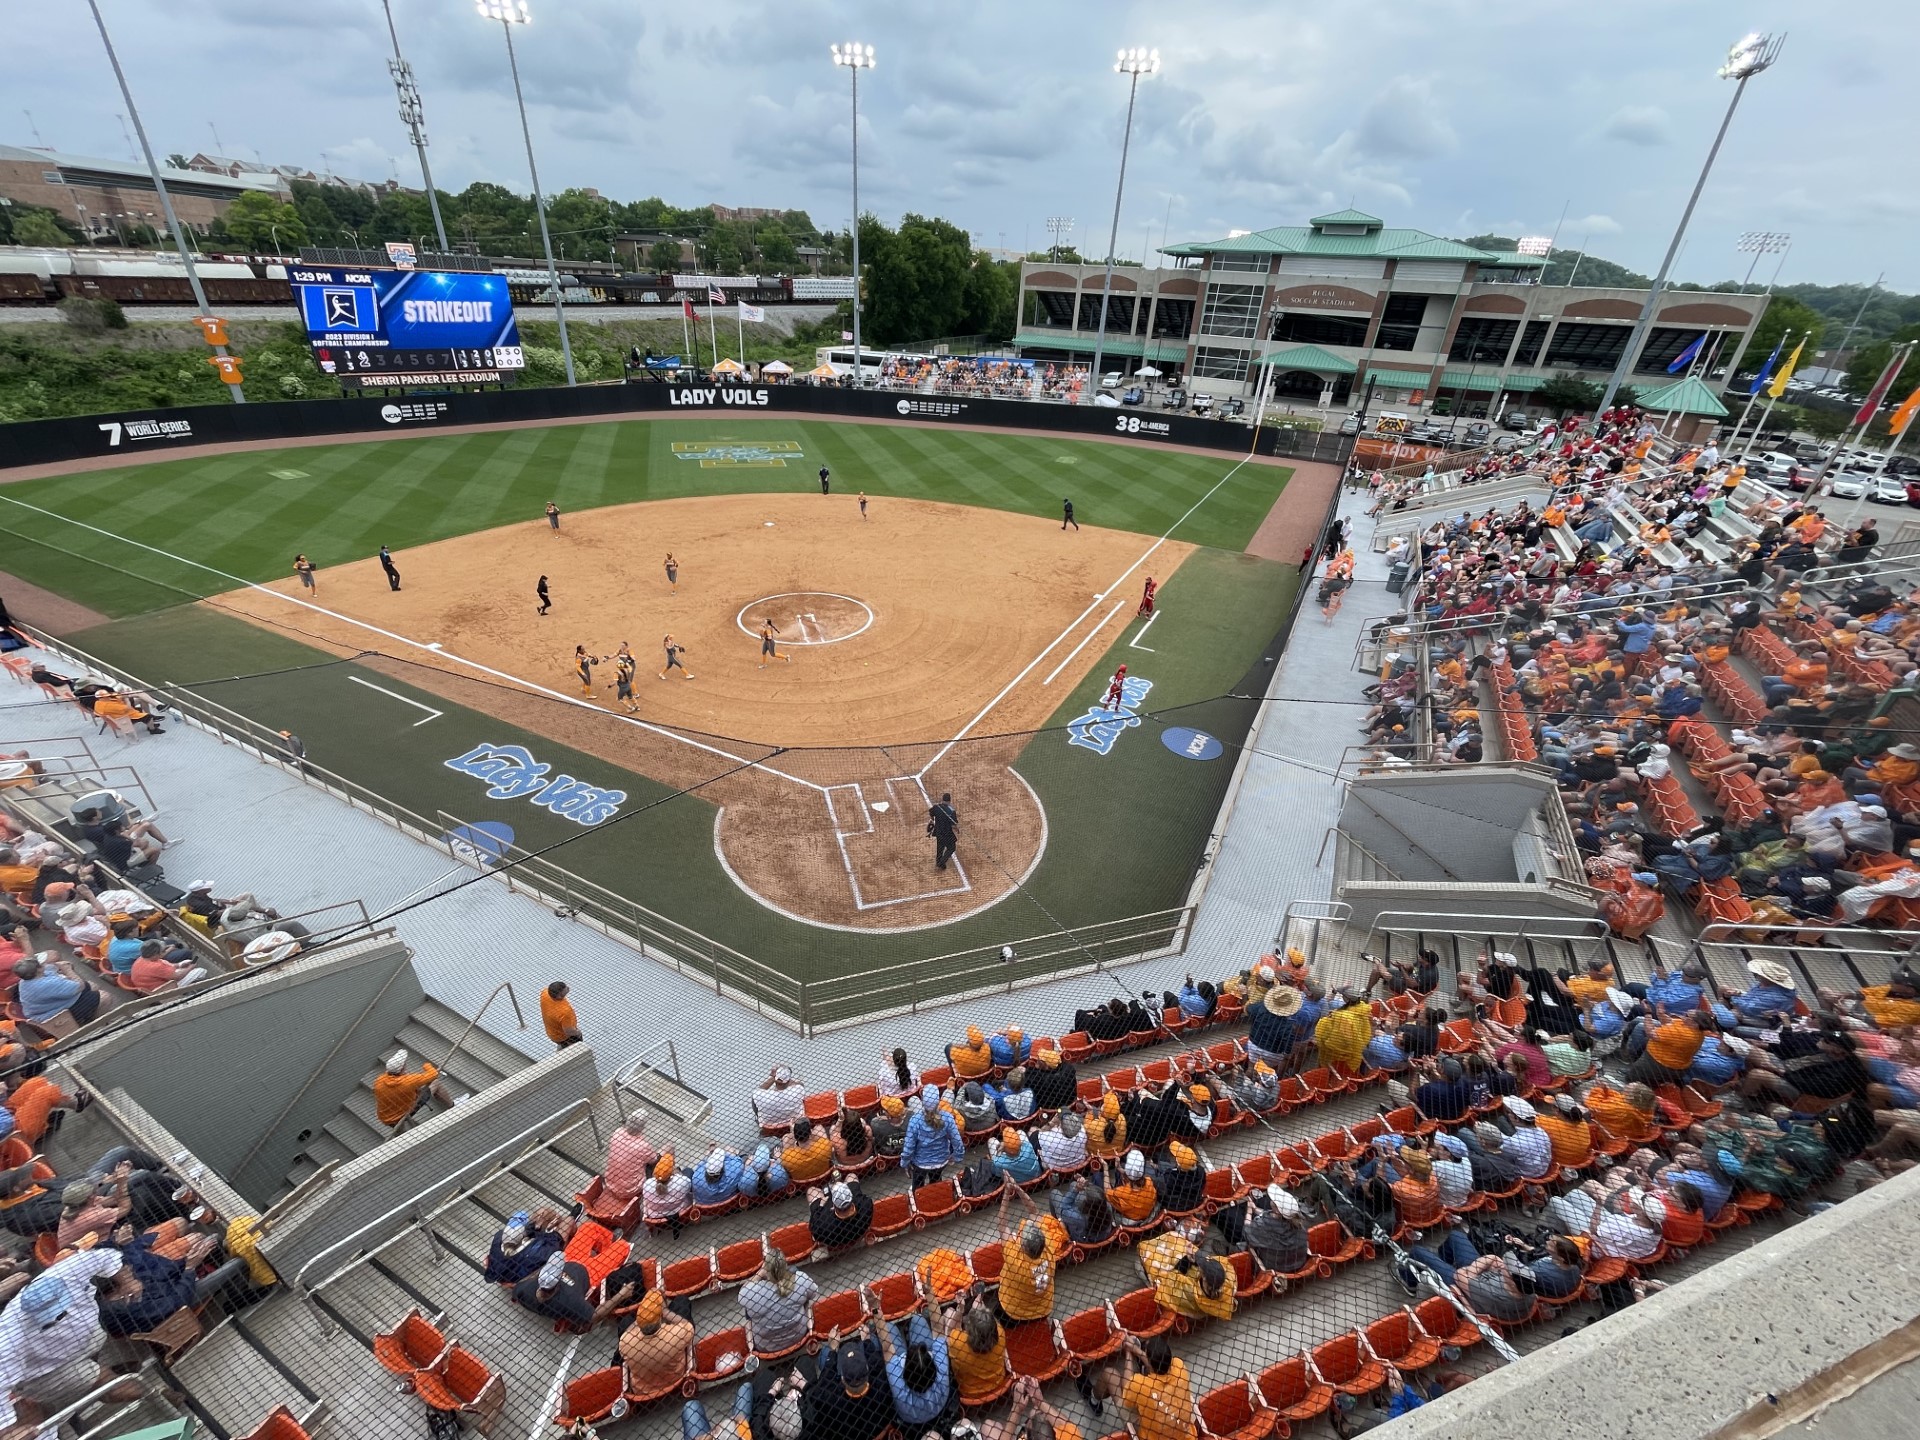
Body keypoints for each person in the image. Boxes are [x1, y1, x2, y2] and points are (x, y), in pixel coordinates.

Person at [0, 1249, 140, 1436]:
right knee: (120, 1390)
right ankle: (152, 1392)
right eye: (51, 1318)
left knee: (99, 1337)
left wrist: (128, 1282)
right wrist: (9, 1432)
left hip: (82, 1338)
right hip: (45, 1372)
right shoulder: (9, 1338)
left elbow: (105, 1257)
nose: (60, 1317)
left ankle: (89, 1375)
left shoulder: (64, 1273)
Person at [1099, 1334, 1193, 1440]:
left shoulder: (1141, 1386)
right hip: (1183, 1433)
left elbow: (1127, 1387)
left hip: (1151, 1435)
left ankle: (1093, 1399)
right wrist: (1137, 1350)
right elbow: (1159, 1363)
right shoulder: (1179, 1365)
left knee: (1111, 1375)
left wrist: (1128, 1353)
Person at [875, 1301, 952, 1430]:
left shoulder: (900, 1391)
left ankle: (900, 1333)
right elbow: (938, 1329)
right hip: (937, 1409)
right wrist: (929, 1291)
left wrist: (876, 1309)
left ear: (904, 1371)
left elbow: (887, 1348)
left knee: (889, 1327)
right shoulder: (942, 1375)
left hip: (908, 1421)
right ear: (934, 1368)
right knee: (918, 1319)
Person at [516, 1250, 632, 1332]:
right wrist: (621, 1295)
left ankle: (603, 1242)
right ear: (557, 1284)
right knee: (622, 1247)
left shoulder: (526, 1289)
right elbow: (594, 1317)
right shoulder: (570, 1299)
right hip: (591, 1273)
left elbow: (518, 1287)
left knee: (589, 1227)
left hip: (572, 1258)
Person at [807, 1333, 895, 1440]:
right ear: (867, 1368)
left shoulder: (829, 1400)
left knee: (825, 1352)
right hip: (875, 1426)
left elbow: (823, 1384)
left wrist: (833, 1350)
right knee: (874, 1341)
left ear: (842, 1379)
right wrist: (867, 1340)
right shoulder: (883, 1383)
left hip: (850, 1428)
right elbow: (877, 1364)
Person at [995, 1186, 1060, 1324]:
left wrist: (1007, 1192)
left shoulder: (1016, 1261)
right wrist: (1019, 1189)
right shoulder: (1048, 1248)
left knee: (997, 1312)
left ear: (1023, 1247)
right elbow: (1035, 1213)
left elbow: (1001, 1222)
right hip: (1044, 1309)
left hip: (1015, 1312)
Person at [739, 1250, 818, 1355]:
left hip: (766, 1347)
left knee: (749, 1306)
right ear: (785, 1266)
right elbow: (814, 1292)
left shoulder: (752, 1292)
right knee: (796, 1273)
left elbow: (742, 1293)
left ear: (766, 1270)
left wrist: (759, 1274)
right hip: (798, 1336)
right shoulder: (799, 1279)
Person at [619, 1290, 694, 1394]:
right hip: (677, 1381)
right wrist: (665, 1311)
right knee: (681, 1301)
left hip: (643, 1392)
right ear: (660, 1318)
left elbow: (626, 1333)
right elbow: (688, 1325)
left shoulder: (625, 1343)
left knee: (625, 1322)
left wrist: (643, 1316)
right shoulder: (676, 1334)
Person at [945, 1289, 1008, 1407]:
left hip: (970, 1393)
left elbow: (949, 1332)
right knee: (977, 1306)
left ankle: (968, 1306)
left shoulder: (959, 1344)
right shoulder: (1000, 1333)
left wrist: (960, 1309)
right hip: (998, 1384)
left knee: (949, 1312)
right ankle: (977, 1302)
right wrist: (979, 1305)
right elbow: (991, 1321)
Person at [12, 954, 102, 1029]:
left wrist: (58, 965)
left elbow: (50, 969)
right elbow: (80, 986)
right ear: (39, 969)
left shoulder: (25, 980)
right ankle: (95, 1026)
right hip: (52, 1016)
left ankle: (89, 1015)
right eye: (41, 964)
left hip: (47, 1007)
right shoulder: (47, 984)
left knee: (91, 986)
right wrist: (68, 970)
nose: (43, 964)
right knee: (103, 997)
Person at [900, 1085, 965, 1187]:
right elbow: (956, 1140)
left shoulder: (915, 1120)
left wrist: (905, 1163)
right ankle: (935, 1193)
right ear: (938, 1100)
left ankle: (918, 1197)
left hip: (920, 1163)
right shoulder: (947, 1117)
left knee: (917, 1184)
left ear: (922, 1100)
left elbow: (909, 1147)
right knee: (936, 1180)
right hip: (941, 1160)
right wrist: (957, 1156)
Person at [372, 1050, 452, 1128]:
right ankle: (451, 1105)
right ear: (403, 1068)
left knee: (399, 1131)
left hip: (387, 1118)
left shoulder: (379, 1080)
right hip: (407, 1110)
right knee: (435, 1082)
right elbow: (433, 1074)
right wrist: (426, 1065)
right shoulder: (409, 1081)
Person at [484, 1209, 565, 1284]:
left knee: (541, 1212)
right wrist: (547, 1232)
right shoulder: (530, 1252)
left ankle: (549, 1221)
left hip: (501, 1269)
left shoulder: (499, 1237)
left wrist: (536, 1226)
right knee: (566, 1224)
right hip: (518, 1276)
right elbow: (553, 1246)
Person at [603, 1111, 657, 1202]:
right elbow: (653, 1160)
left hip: (609, 1183)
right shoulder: (642, 1145)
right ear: (643, 1127)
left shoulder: (617, 1133)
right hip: (631, 1190)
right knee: (658, 1157)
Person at [809, 1179, 874, 1250]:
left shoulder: (821, 1225)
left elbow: (813, 1225)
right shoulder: (866, 1205)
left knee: (811, 1191)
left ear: (833, 1205)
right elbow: (862, 1197)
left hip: (834, 1245)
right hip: (858, 1234)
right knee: (851, 1176)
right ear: (851, 1197)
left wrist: (821, 1205)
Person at [643, 1154, 693, 1234]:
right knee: (688, 1171)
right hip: (680, 1214)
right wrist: (678, 1174)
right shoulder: (681, 1182)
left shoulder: (647, 1184)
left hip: (657, 1219)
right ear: (671, 1174)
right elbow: (688, 1186)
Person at [783, 1117, 834, 1186]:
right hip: (824, 1178)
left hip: (802, 1186)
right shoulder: (825, 1146)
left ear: (795, 1137)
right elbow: (819, 1137)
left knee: (786, 1137)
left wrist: (792, 1132)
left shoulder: (787, 1157)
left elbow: (786, 1148)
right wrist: (810, 1132)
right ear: (810, 1133)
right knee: (818, 1127)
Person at [540, 980, 583, 1048]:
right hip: (563, 1037)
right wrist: (578, 1033)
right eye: (566, 989)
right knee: (576, 1048)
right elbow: (569, 1031)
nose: (568, 988)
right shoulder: (564, 1012)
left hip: (551, 1032)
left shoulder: (545, 993)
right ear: (560, 996)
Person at [928, 792, 959, 871]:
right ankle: (942, 862)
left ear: (942, 799)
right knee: (951, 848)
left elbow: (931, 812)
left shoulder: (937, 807)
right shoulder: (951, 811)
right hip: (947, 833)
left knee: (940, 847)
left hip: (938, 831)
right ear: (949, 801)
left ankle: (938, 861)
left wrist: (932, 819)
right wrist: (957, 829)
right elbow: (953, 825)